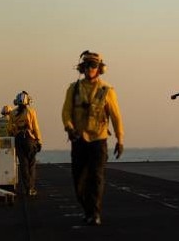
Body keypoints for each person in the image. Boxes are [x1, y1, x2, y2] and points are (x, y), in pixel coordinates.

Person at [61, 50, 124, 226]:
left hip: (99, 140)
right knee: (78, 180)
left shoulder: (107, 91)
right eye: (87, 65)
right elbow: (66, 112)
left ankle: (95, 213)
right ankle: (88, 209)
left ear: (99, 68)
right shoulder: (73, 89)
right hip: (79, 139)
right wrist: (69, 128)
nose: (90, 68)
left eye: (93, 65)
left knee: (96, 178)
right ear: (82, 68)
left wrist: (120, 139)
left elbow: (116, 116)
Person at [7, 91, 42, 196]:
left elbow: (9, 129)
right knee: (31, 164)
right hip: (29, 139)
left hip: (18, 139)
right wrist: (39, 141)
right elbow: (36, 127)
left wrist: (15, 132)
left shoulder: (12, 113)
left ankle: (27, 188)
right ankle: (31, 188)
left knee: (23, 165)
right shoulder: (31, 111)